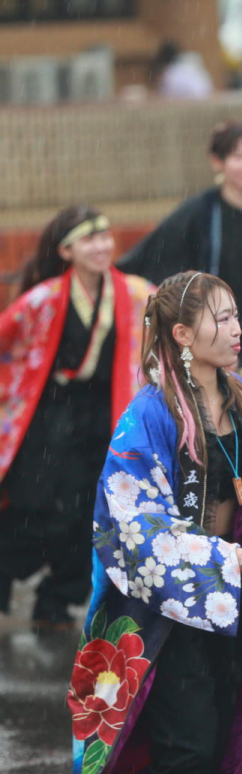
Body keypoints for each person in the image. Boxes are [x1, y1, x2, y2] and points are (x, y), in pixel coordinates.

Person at [68, 271, 242, 774]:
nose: (237, 329)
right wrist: (237, 560)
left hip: (226, 600)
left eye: (236, 315)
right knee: (186, 749)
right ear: (183, 336)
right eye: (222, 319)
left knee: (214, 746)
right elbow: (138, 524)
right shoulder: (149, 412)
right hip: (161, 609)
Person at [119, 121, 242, 567]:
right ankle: (211, 561)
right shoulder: (200, 212)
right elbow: (142, 267)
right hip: (211, 365)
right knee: (211, 471)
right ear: (218, 163)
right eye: (237, 155)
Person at [0, 207, 152, 628]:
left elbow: (178, 330)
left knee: (93, 513)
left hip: (106, 416)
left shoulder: (137, 292)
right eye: (89, 238)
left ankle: (57, 599)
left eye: (105, 235)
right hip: (49, 417)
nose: (102, 245)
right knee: (34, 508)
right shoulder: (45, 297)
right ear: (66, 250)